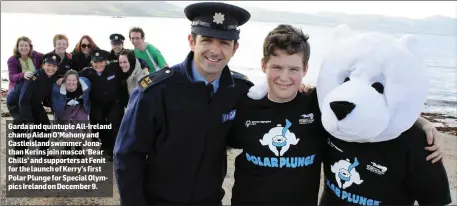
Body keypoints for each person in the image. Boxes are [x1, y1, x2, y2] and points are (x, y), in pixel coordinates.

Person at [233, 25, 444, 205]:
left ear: (306, 69)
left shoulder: (316, 104)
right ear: (263, 65)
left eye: (294, 69)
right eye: (276, 67)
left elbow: (365, 105)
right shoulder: (245, 105)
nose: (285, 77)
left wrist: (421, 123)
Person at [114, 2, 253, 205]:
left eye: (224, 43)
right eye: (206, 40)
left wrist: (298, 89)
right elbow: (127, 155)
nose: (215, 50)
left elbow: (263, 120)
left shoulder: (240, 90)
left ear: (235, 48)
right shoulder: (156, 91)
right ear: (192, 41)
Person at [6, 53, 60, 159]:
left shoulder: (52, 78)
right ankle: (19, 157)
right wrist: (29, 120)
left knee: (45, 125)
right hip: (17, 103)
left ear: (57, 67)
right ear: (43, 65)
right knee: (22, 126)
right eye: (48, 65)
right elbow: (23, 100)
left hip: (34, 103)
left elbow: (48, 98)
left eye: (54, 66)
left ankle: (43, 150)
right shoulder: (34, 77)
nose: (51, 68)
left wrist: (56, 113)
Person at [78, 49, 126, 160]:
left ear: (105, 62)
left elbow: (131, 62)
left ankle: (112, 149)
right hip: (97, 103)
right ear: (91, 63)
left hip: (114, 102)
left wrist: (144, 66)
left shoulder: (114, 67)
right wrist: (61, 79)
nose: (98, 64)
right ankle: (104, 143)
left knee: (113, 123)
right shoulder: (87, 72)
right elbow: (73, 76)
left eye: (100, 61)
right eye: (95, 62)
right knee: (97, 124)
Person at [51, 69, 91, 159]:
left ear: (77, 80)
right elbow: (56, 107)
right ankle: (67, 147)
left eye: (74, 80)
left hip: (79, 106)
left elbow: (89, 96)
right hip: (64, 107)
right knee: (65, 125)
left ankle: (78, 147)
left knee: (80, 124)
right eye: (68, 80)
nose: (71, 82)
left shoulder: (86, 84)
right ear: (65, 80)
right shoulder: (57, 89)